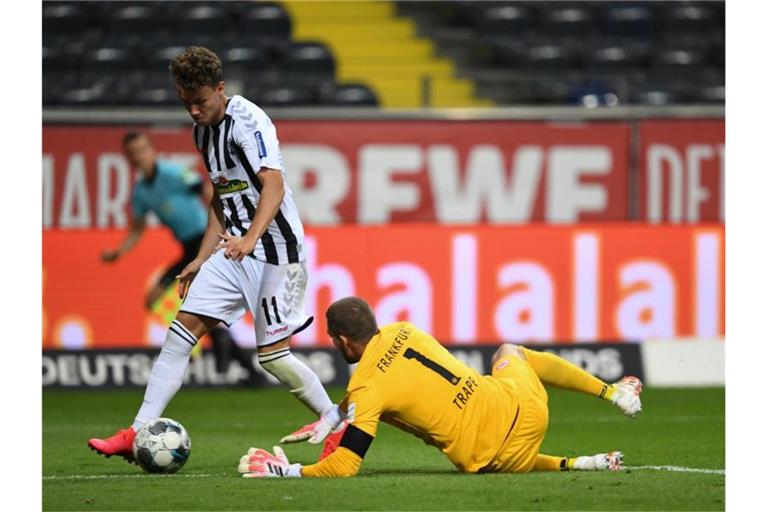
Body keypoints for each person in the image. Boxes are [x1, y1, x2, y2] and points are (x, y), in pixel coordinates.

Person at [88, 46, 344, 462]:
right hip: (233, 249)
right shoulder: (202, 131)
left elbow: (274, 187)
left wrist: (249, 239)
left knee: (273, 358)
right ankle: (134, 434)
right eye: (185, 102)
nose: (193, 111)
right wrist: (204, 256)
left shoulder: (249, 121)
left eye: (200, 102)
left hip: (277, 249)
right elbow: (221, 199)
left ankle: (335, 418)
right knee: (180, 334)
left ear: (220, 89)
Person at [237, 297, 643, 478]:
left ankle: (602, 415)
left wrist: (289, 472)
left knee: (485, 442)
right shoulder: (405, 329)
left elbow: (346, 466)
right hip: (526, 412)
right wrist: (338, 413)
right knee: (510, 351)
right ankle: (609, 400)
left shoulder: (367, 387)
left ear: (343, 341)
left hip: (487, 461)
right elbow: (397, 379)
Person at [101, 131, 261, 384]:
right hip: (188, 248)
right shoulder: (141, 192)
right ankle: (232, 353)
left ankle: (218, 342)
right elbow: (137, 229)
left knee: (204, 298)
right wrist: (118, 252)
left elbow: (210, 191)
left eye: (143, 150)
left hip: (206, 240)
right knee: (154, 298)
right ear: (129, 159)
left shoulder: (174, 174)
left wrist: (226, 226)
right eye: (134, 154)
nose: (140, 157)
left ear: (152, 150)